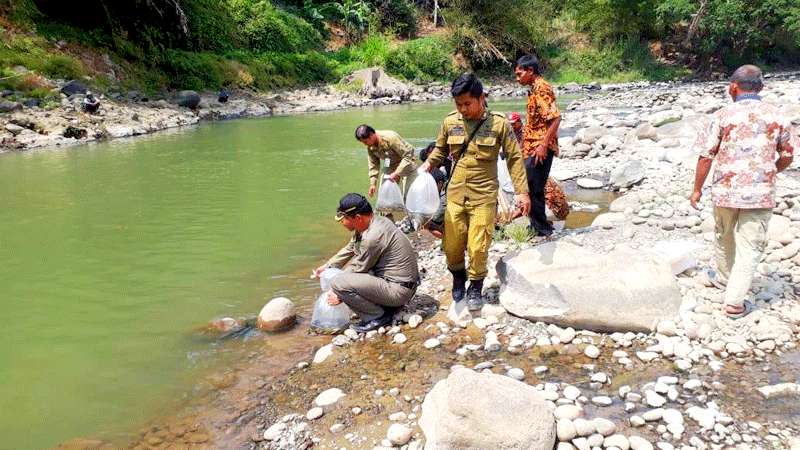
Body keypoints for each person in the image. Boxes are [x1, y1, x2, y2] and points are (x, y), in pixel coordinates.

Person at [690, 64, 796, 319]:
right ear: (761, 88)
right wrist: (770, 171)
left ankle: (729, 286)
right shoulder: (778, 116)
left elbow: (706, 156)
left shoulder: (722, 115)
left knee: (723, 235)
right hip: (760, 193)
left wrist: (696, 190)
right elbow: (789, 155)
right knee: (751, 246)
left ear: (733, 87)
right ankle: (735, 301)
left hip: (725, 191)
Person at [420, 73, 530, 311]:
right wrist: (428, 165)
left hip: (484, 196)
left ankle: (475, 287)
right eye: (458, 104)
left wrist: (522, 192)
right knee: (452, 246)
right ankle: (458, 278)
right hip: (456, 195)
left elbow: (514, 158)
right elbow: (439, 151)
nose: (462, 109)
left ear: (482, 98)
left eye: (467, 104)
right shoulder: (450, 122)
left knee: (478, 246)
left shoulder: (499, 124)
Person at [313, 193, 420, 332]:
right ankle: (381, 307)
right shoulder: (373, 222)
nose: (342, 223)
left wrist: (337, 293)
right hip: (401, 284)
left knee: (338, 283)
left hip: (399, 291)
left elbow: (358, 267)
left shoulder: (373, 237)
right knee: (344, 281)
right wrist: (328, 266)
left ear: (357, 218)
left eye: (343, 220)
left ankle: (378, 316)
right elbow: (351, 247)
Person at [515, 54, 562, 237]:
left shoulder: (542, 87)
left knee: (534, 185)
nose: (518, 78)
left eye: (520, 74)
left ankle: (541, 228)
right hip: (532, 145)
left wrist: (543, 145)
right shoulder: (534, 88)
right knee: (532, 184)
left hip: (540, 146)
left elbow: (555, 118)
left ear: (530, 71)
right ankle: (538, 225)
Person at [506, 111, 570, 224]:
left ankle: (542, 223)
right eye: (510, 124)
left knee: (533, 192)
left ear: (520, 122)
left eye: (514, 123)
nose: (512, 126)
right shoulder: (513, 133)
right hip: (528, 166)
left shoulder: (527, 132)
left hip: (532, 165)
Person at [355, 125, 417, 198]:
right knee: (385, 192)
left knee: (408, 196)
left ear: (372, 135)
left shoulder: (390, 137)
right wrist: (373, 184)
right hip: (389, 161)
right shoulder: (370, 146)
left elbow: (407, 155)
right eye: (362, 142)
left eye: (365, 142)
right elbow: (373, 166)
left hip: (407, 161)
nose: (365, 144)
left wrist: (397, 173)